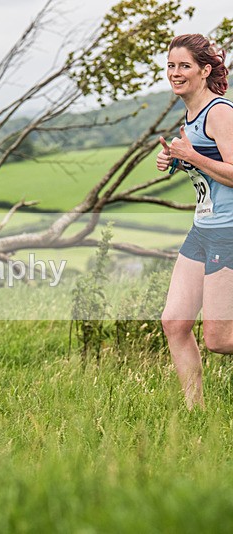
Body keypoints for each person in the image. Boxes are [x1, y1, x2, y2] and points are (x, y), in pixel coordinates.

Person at [157, 34, 233, 409]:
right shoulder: (190, 116)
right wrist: (176, 159)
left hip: (227, 231)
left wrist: (191, 154)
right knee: (174, 323)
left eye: (184, 66)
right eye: (171, 66)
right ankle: (195, 414)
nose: (175, 73)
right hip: (201, 229)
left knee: (220, 339)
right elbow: (207, 166)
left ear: (205, 70)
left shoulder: (220, 111)